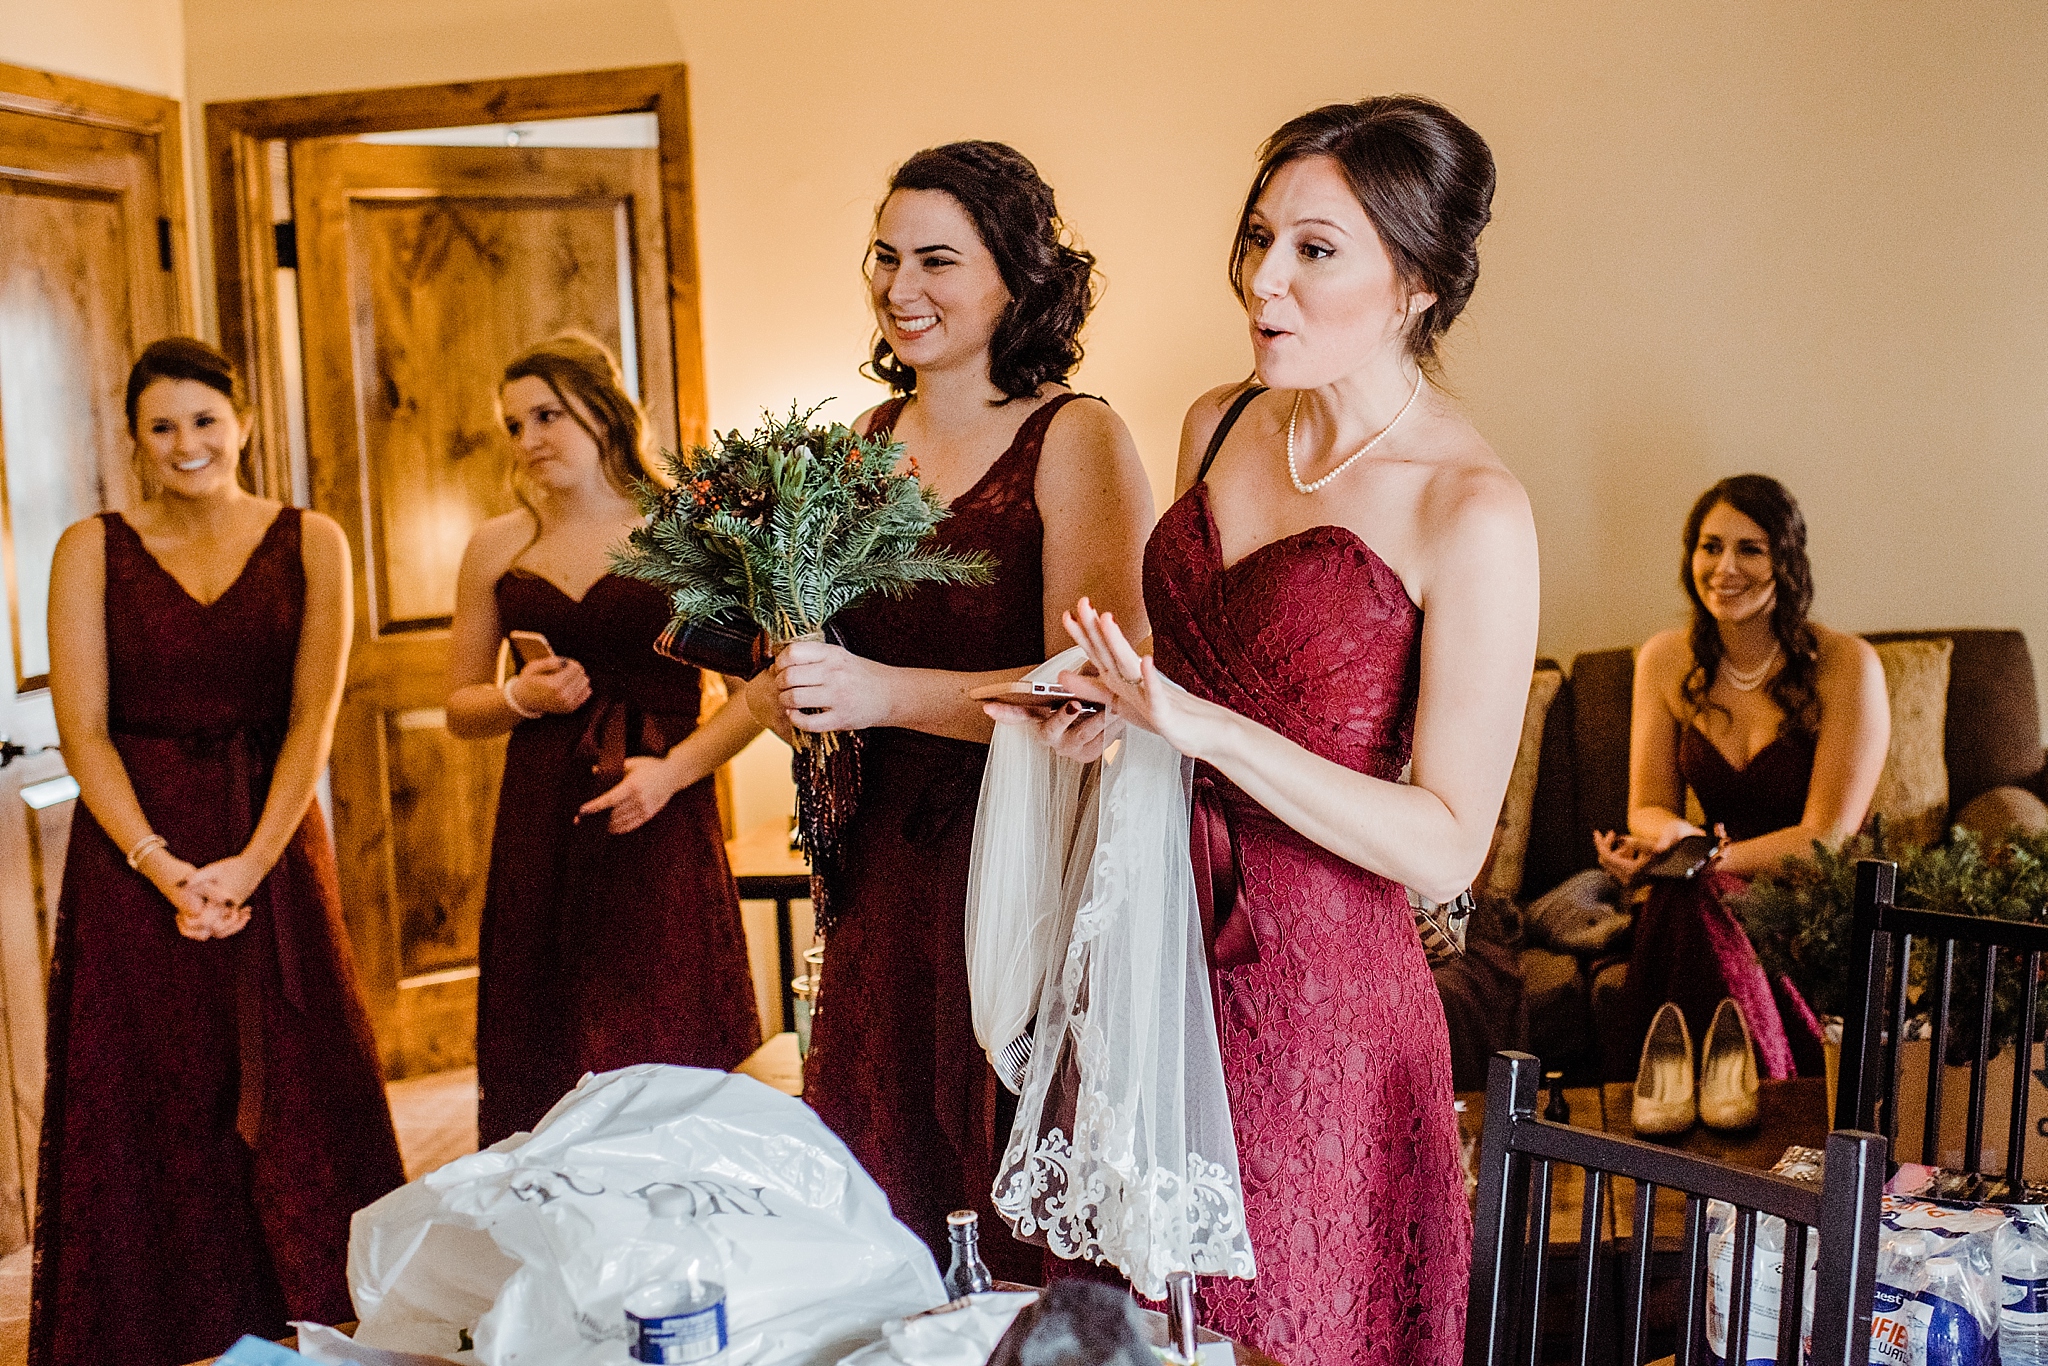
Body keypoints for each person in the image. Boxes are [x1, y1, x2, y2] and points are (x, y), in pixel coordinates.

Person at [997, 97, 1535, 1364]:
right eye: (1257, 240)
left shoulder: (1472, 508)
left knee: (1279, 1324)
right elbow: (1175, 685)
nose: (1263, 283)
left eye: (1314, 250)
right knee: (1121, 1323)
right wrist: (1111, 717)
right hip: (1141, 949)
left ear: (1412, 283)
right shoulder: (1217, 423)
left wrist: (1209, 732)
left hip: (1318, 1004)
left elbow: (1449, 844)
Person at [755, 142, 1154, 1278]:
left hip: (1020, 856)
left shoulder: (1073, 435)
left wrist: (881, 693)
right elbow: (822, 661)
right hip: (882, 863)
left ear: (1017, 279)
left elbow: (1096, 685)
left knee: (1009, 1154)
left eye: (936, 258)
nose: (899, 286)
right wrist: (794, 693)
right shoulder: (855, 447)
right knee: (884, 1162)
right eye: (884, 257)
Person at [35, 337, 405, 1365]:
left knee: (300, 1070)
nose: (186, 442)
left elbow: (310, 723)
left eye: (204, 419)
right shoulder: (87, 548)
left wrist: (248, 863)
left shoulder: (313, 540)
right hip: (131, 859)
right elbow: (84, 732)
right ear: (135, 443)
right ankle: (163, 1318)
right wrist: (162, 866)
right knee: (152, 1081)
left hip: (271, 841)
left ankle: (324, 1312)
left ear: (241, 422)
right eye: (162, 427)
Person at [447, 334, 762, 1144]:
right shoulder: (497, 545)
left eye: (547, 414)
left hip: (659, 813)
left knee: (662, 1031)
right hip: (541, 820)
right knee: (544, 1043)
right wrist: (517, 696)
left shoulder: (687, 531)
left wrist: (671, 776)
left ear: (604, 410)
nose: (529, 439)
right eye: (514, 424)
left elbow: (758, 693)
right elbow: (459, 707)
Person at [1601, 474, 1888, 1081]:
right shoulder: (1664, 660)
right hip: (1709, 879)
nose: (1725, 567)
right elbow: (1646, 806)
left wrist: (1702, 860)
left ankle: (1697, 1090)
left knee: (1688, 895)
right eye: (1710, 546)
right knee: (1688, 897)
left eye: (1750, 549)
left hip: (1810, 891)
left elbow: (1826, 839)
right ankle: (1729, 1098)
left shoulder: (1847, 666)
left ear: (1786, 561)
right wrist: (1672, 838)